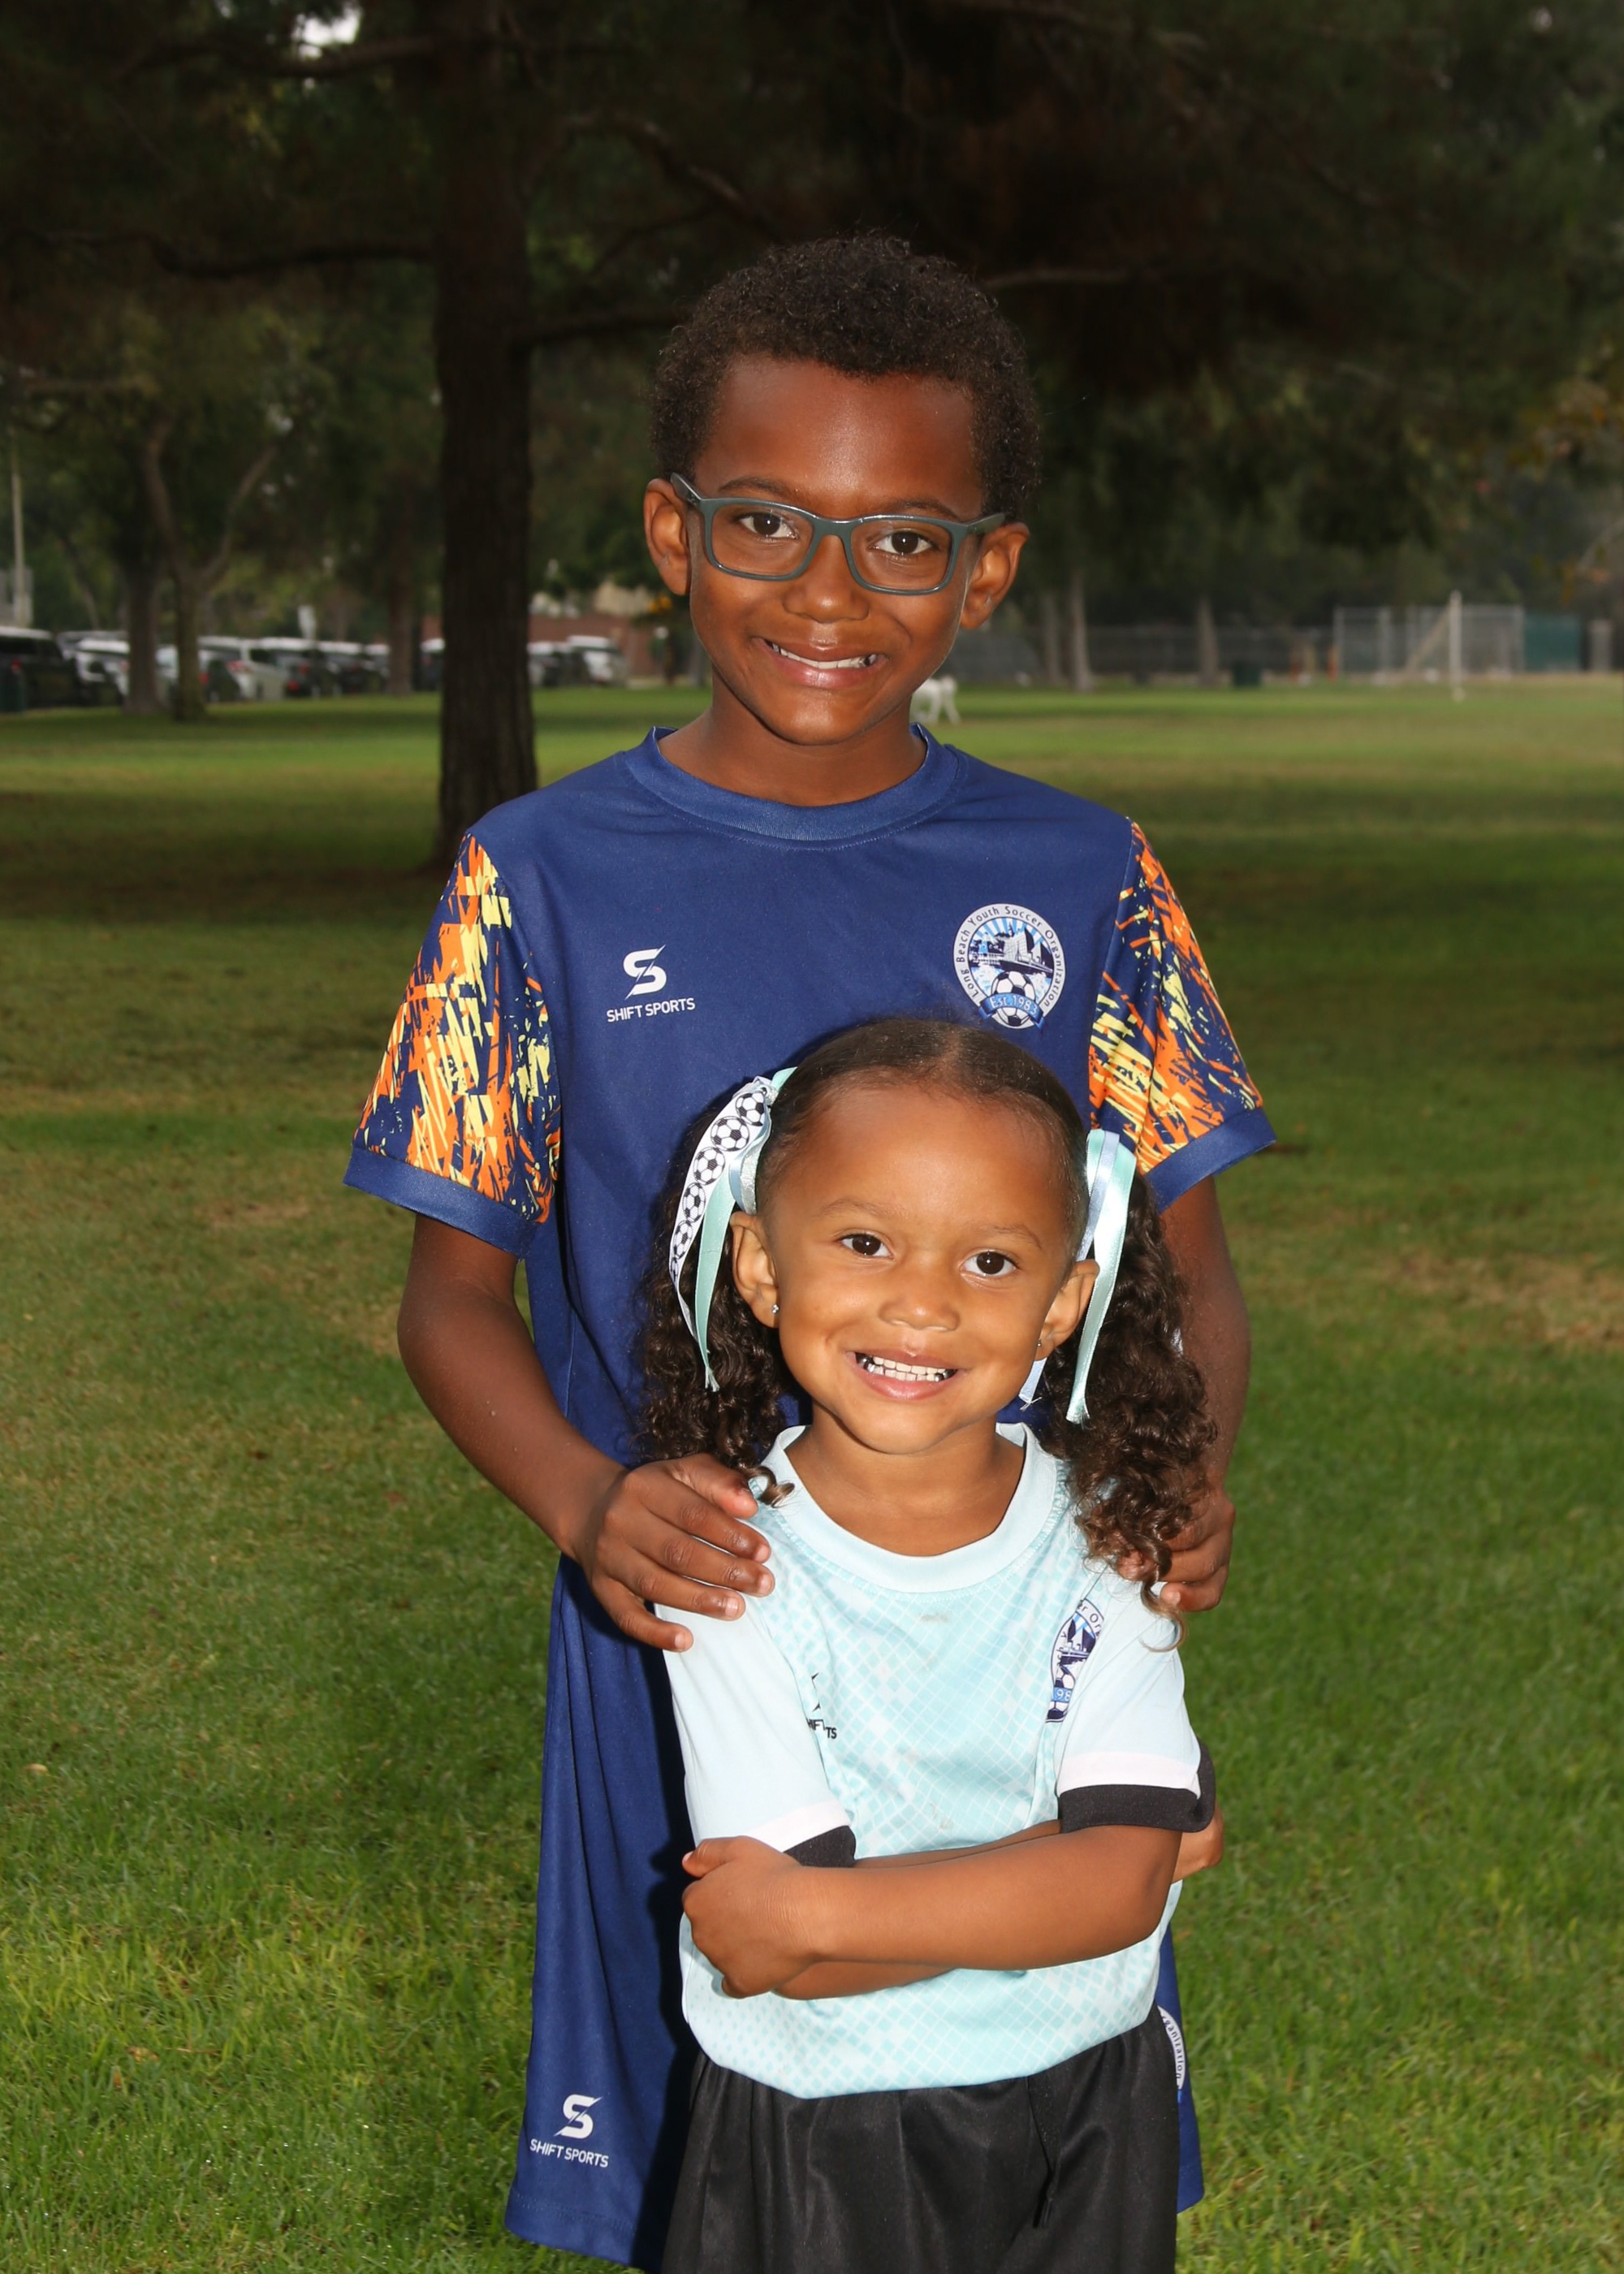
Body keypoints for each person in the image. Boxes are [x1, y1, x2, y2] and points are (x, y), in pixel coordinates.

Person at [343, 236, 1273, 2268]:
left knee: (1031, 2095)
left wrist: (1171, 1476)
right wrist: (592, 1502)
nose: (829, 594)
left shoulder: (1084, 876)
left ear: (987, 568)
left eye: (901, 539)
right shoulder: (532, 881)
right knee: (733, 2161)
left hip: (1008, 1624)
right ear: (673, 532)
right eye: (765, 521)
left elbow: (1187, 1265)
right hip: (702, 1617)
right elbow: (449, 1297)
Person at [645, 1017, 1221, 2274]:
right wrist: (1067, 1865)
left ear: (1064, 1301)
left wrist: (822, 1911)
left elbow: (1120, 1889)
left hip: (1087, 2100)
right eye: (865, 1242)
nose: (922, 1303)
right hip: (818, 2128)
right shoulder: (723, 1561)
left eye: (992, 1261)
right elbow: (785, 1967)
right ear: (761, 1265)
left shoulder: (1111, 1533)